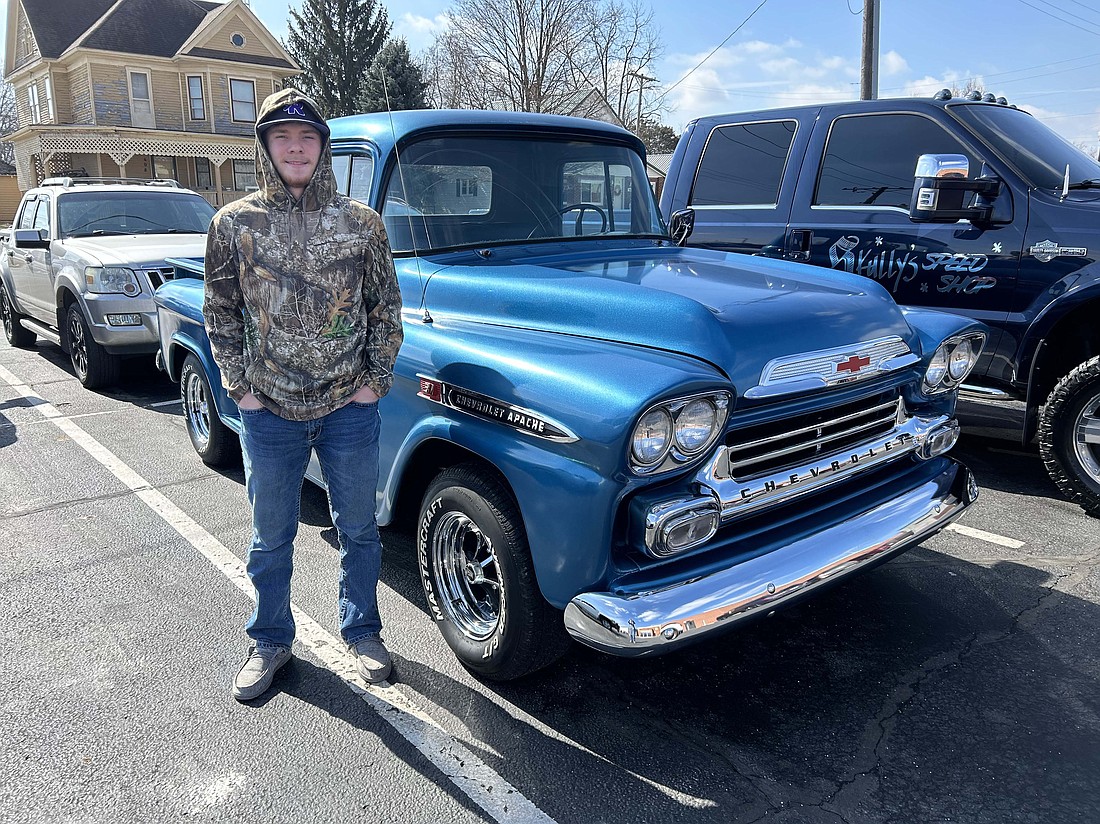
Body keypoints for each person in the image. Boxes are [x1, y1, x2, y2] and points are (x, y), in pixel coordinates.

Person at [203, 88, 403, 702]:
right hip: (271, 411)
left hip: (349, 406)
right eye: (283, 137)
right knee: (270, 535)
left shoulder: (360, 223)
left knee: (360, 528)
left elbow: (384, 308)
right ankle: (269, 641)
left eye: (308, 137)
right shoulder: (233, 224)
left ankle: (362, 631)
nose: (296, 148)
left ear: (323, 147)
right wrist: (240, 387)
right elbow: (221, 311)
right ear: (265, 146)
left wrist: (374, 383)